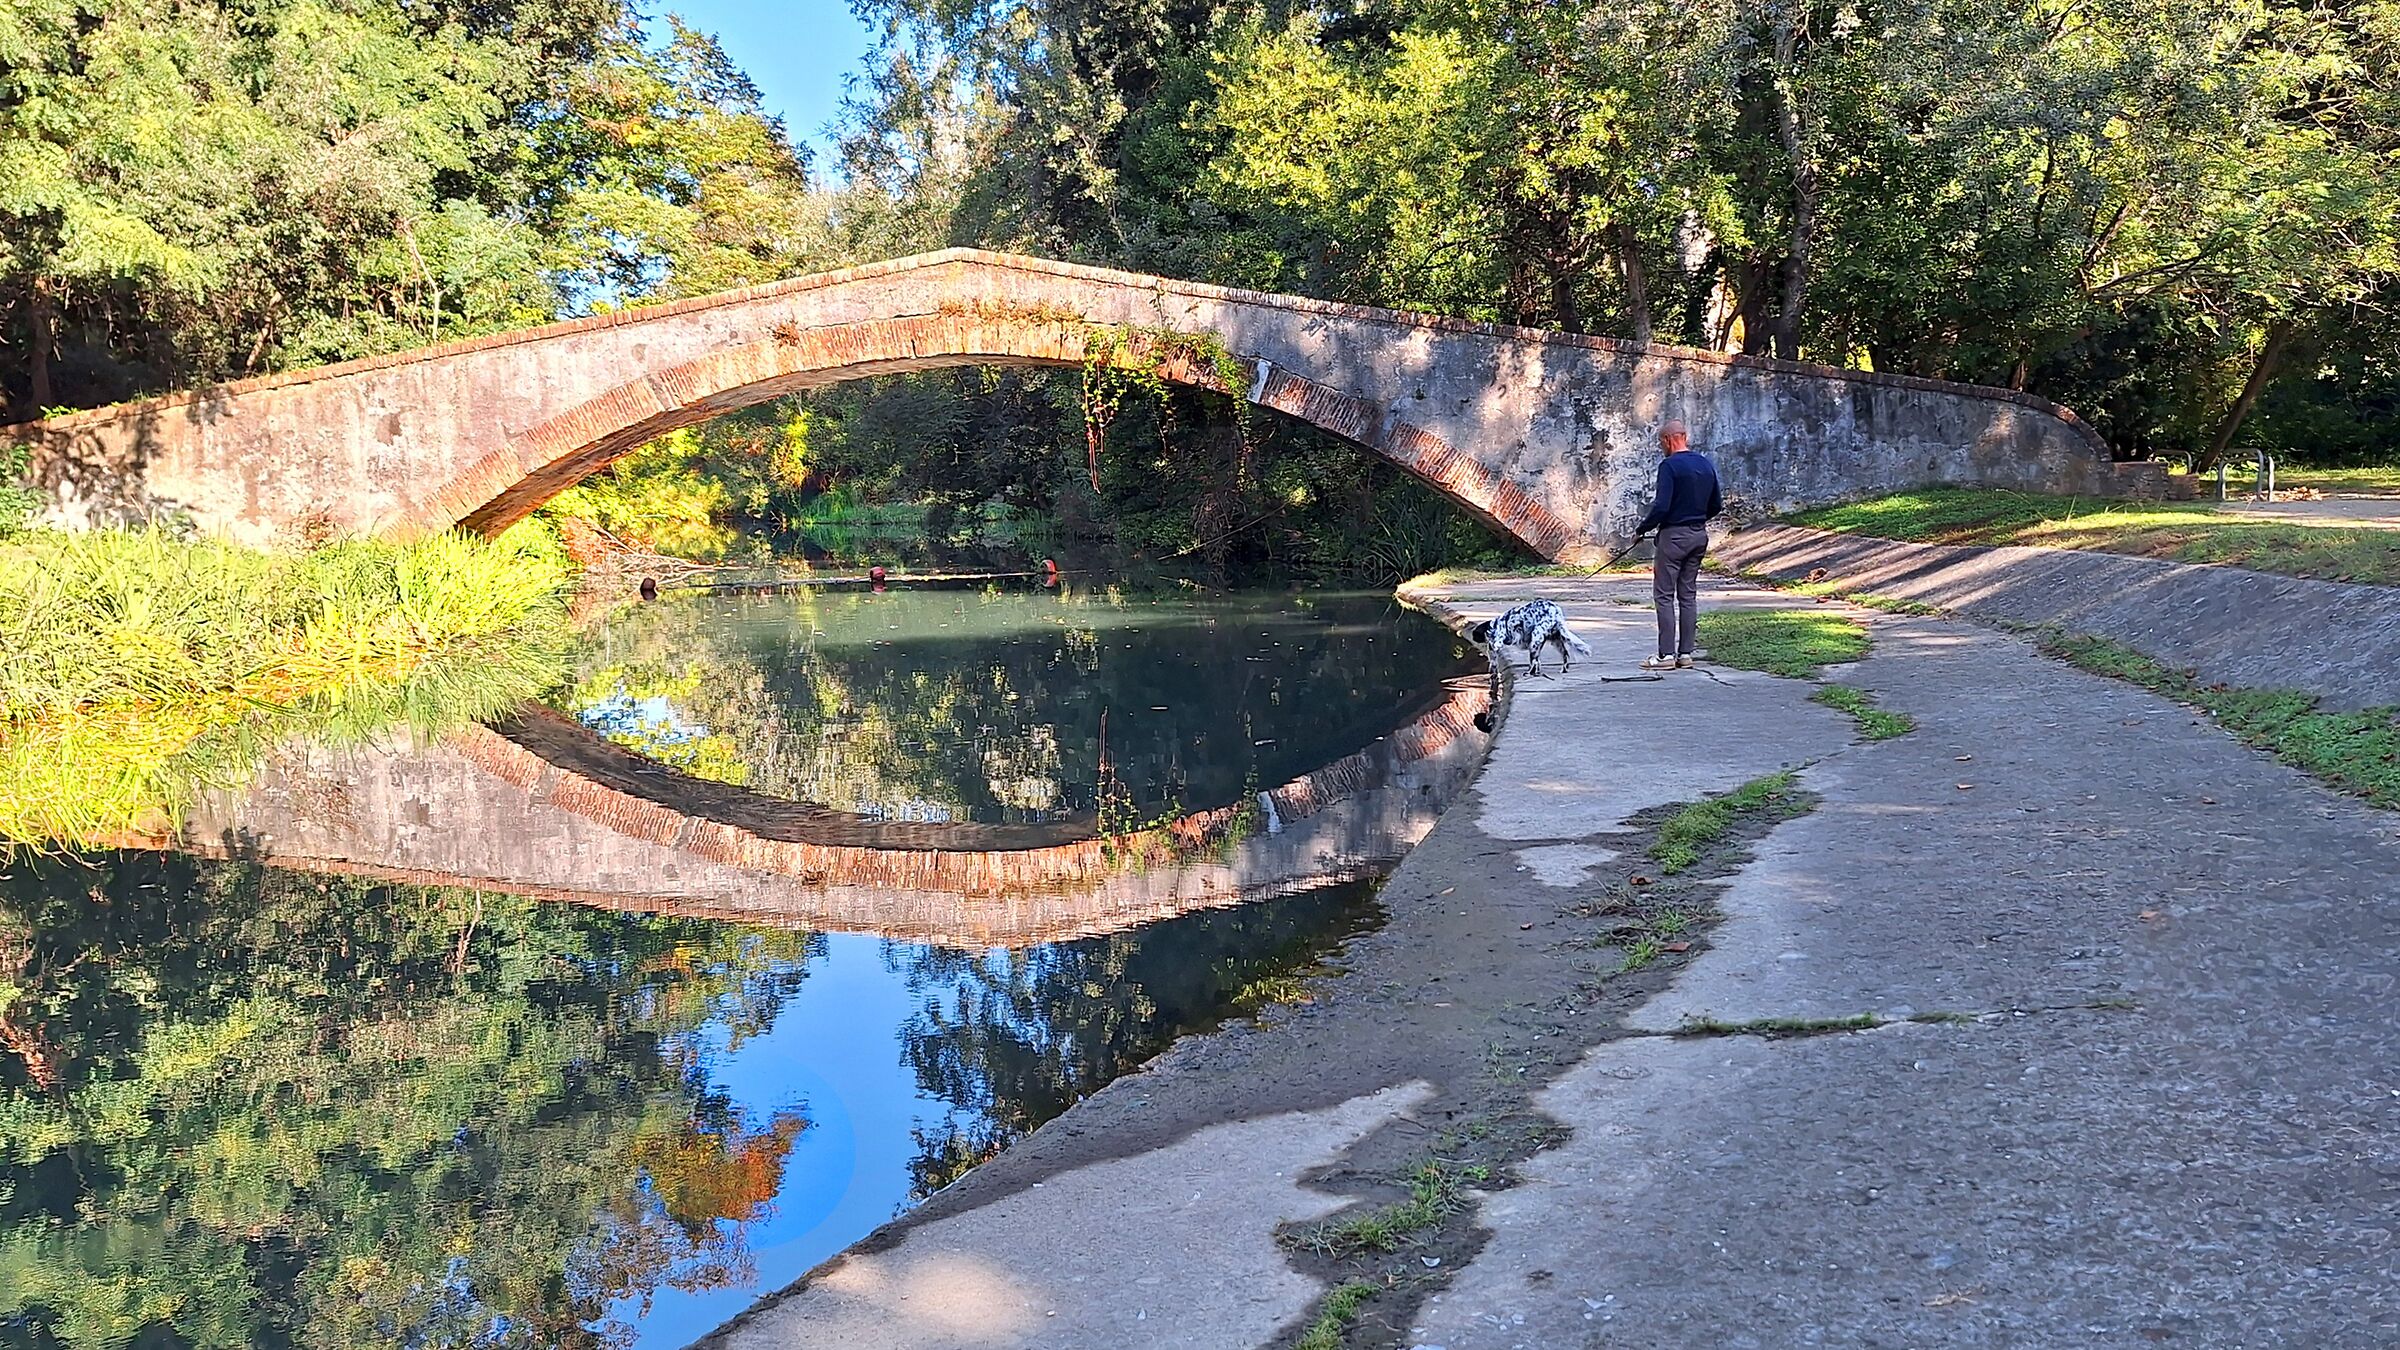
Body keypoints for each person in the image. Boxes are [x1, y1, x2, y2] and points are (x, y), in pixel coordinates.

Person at [1633, 419, 1723, 671]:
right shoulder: (1704, 463)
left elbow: (1661, 506)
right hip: (1699, 535)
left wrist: (1642, 529)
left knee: (1663, 595)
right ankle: (1685, 653)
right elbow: (1716, 503)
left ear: (1667, 440)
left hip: (1673, 537)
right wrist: (1696, 518)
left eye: (1661, 442)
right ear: (1685, 436)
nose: (1661, 447)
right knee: (1688, 595)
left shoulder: (1669, 466)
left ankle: (1665, 655)